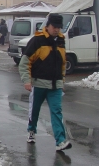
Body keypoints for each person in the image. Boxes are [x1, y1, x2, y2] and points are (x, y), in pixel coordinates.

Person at [19, 13, 72, 151]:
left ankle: (60, 141)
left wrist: (62, 81)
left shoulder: (61, 40)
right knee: (34, 110)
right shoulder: (37, 40)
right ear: (47, 26)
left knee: (57, 112)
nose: (56, 30)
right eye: (54, 27)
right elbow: (25, 62)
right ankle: (31, 131)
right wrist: (27, 80)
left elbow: (62, 63)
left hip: (56, 85)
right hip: (39, 84)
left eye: (59, 27)